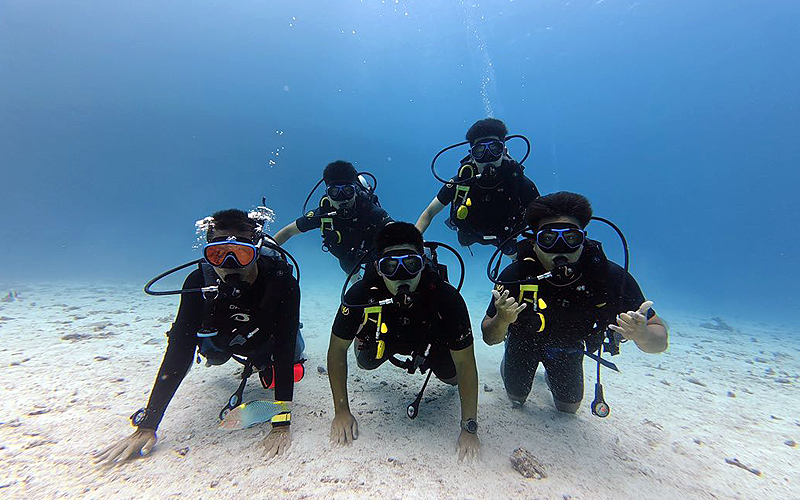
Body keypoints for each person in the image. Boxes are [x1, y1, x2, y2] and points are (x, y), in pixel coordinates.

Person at [95, 209, 303, 465]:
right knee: (212, 355)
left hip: (267, 338)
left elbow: (283, 347)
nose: (229, 265)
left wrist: (281, 424)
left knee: (293, 355)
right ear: (207, 254)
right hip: (225, 339)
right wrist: (148, 425)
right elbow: (179, 350)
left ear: (256, 251)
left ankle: (261, 363)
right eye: (218, 254)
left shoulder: (282, 282)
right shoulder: (197, 282)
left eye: (241, 254)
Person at [481, 192, 668, 413]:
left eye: (571, 238)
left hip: (568, 347)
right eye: (549, 239)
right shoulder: (517, 274)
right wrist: (502, 320)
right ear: (534, 241)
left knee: (568, 408)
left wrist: (643, 335)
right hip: (523, 342)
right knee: (516, 397)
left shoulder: (608, 276)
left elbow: (660, 340)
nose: (561, 249)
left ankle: (552, 377)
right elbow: (489, 337)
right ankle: (510, 361)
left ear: (583, 238)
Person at [326, 222, 481, 461]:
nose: (401, 276)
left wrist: (468, 427)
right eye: (390, 266)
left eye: (410, 265)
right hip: (382, 339)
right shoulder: (360, 295)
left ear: (423, 262)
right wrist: (341, 411)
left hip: (430, 344)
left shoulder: (447, 297)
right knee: (365, 362)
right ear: (378, 268)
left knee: (453, 378)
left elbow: (466, 363)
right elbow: (337, 349)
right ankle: (364, 340)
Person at [416, 118, 540, 258]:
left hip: (507, 235)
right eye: (480, 151)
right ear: (472, 155)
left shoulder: (517, 181)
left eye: (494, 149)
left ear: (504, 151)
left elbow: (543, 217)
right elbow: (429, 213)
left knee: (514, 255)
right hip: (471, 233)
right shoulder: (461, 182)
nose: (488, 157)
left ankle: (514, 257)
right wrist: (411, 242)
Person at [274, 160, 392, 275]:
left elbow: (396, 231)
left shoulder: (369, 209)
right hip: (346, 258)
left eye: (347, 190)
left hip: (373, 254)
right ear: (328, 195)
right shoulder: (322, 213)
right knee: (350, 271)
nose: (342, 198)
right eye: (334, 192)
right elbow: (288, 232)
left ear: (355, 191)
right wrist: (264, 249)